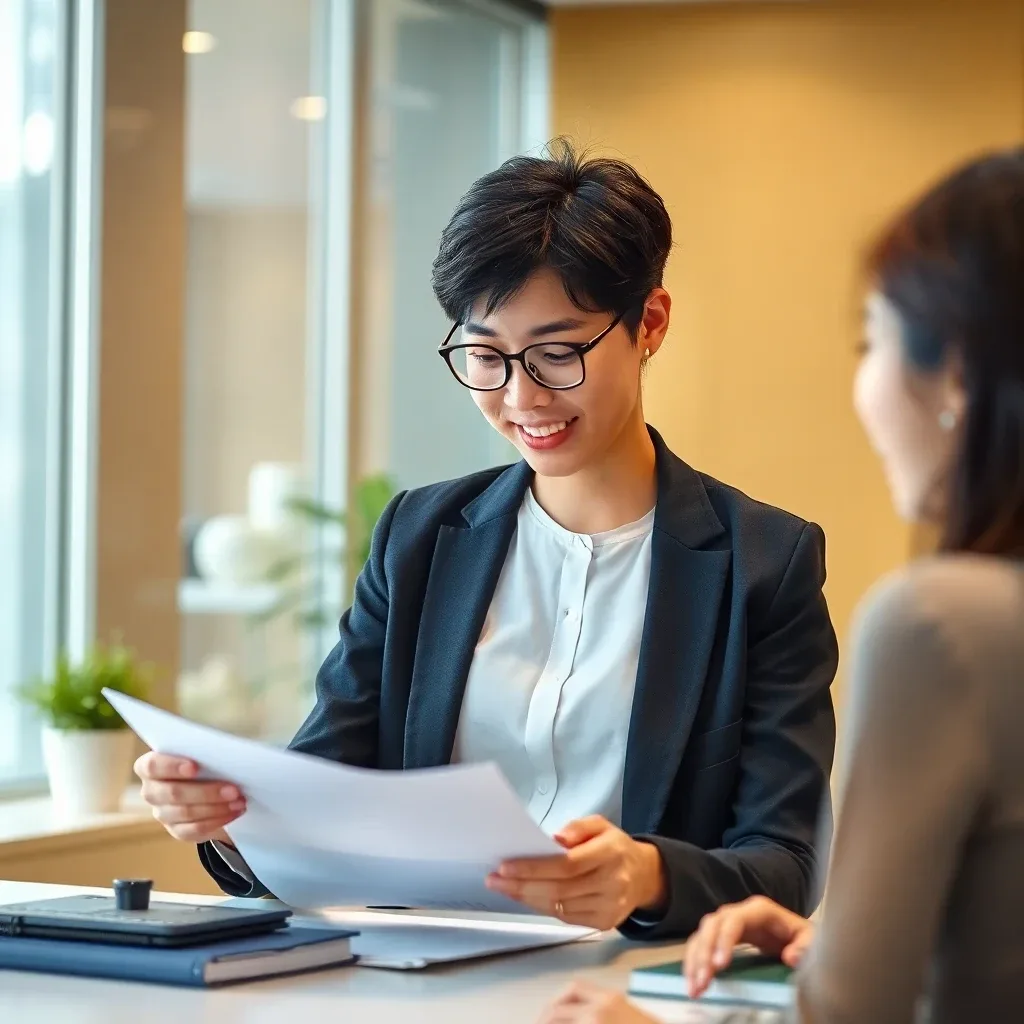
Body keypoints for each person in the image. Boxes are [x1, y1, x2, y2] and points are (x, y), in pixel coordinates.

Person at [135, 142, 837, 940]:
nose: (521, 396)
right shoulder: (420, 538)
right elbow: (324, 788)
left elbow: (787, 861)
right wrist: (233, 817)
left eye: (558, 352)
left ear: (650, 323)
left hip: (623, 987)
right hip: (415, 976)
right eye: (485, 357)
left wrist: (649, 873)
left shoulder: (764, 564)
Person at [541, 147, 1024, 1021]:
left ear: (955, 372)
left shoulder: (938, 625)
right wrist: (829, 954)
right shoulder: (422, 534)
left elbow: (850, 1012)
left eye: (869, 339)